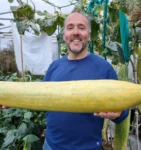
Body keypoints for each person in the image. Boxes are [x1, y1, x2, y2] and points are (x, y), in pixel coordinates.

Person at [42, 10, 129, 150]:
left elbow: (123, 110)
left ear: (89, 35)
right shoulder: (54, 67)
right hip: (51, 146)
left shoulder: (104, 68)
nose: (76, 32)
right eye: (70, 27)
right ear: (64, 35)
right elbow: (39, 99)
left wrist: (119, 113)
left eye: (81, 27)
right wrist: (11, 100)